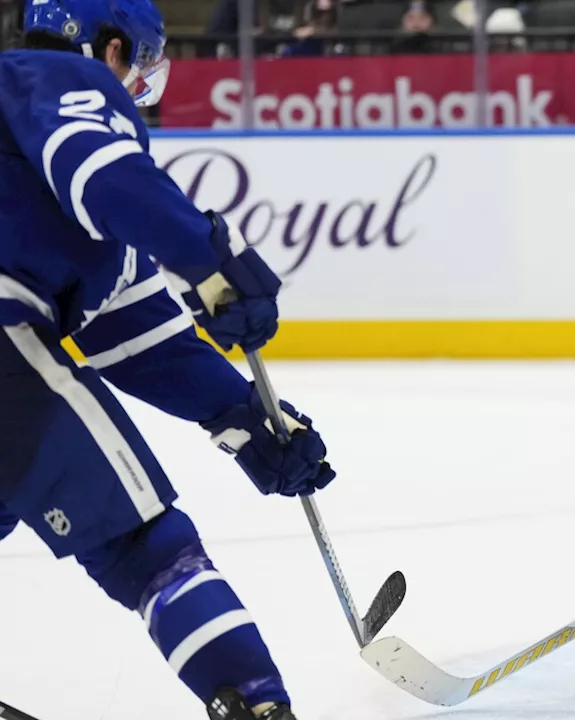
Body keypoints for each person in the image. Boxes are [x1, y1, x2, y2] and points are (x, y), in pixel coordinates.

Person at [0, 1, 335, 718]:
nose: (139, 90)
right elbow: (105, 173)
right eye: (141, 67)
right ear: (111, 49)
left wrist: (243, 413)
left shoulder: (23, 151)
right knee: (147, 547)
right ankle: (255, 703)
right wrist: (210, 264)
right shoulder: (51, 74)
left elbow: (129, 330)